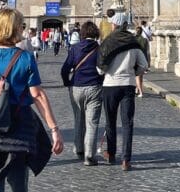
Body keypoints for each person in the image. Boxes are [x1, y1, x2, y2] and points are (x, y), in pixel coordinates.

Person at [0, 9, 64, 190]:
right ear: (14, 28)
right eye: (21, 26)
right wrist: (54, 129)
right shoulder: (25, 58)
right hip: (18, 131)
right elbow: (37, 95)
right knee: (18, 184)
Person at [96, 14, 147, 171]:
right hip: (128, 85)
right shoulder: (133, 42)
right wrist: (133, 73)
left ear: (115, 25)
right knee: (127, 123)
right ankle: (126, 160)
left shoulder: (107, 42)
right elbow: (143, 65)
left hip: (110, 84)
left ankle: (111, 154)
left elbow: (99, 69)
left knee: (110, 121)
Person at [60, 21, 104, 166]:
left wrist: (67, 83)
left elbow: (65, 69)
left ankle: (79, 148)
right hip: (94, 87)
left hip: (76, 87)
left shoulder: (75, 48)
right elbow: (103, 68)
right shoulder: (99, 49)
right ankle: (89, 155)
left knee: (78, 119)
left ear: (82, 34)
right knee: (92, 122)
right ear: (96, 33)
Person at [133, 26, 149, 98]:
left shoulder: (134, 39)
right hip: (144, 59)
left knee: (137, 77)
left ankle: (141, 92)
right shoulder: (145, 40)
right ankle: (137, 90)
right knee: (141, 77)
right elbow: (147, 52)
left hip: (136, 59)